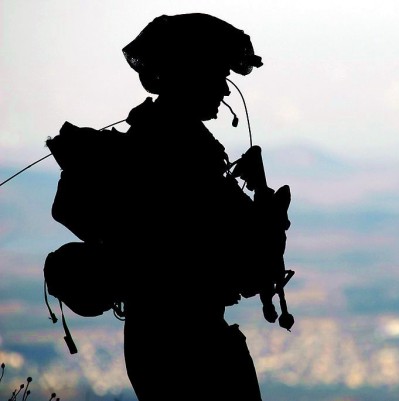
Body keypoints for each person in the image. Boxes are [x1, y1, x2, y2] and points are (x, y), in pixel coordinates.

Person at [45, 12, 293, 401]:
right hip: (194, 345)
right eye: (218, 76)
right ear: (191, 77)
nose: (226, 91)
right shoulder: (187, 153)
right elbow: (251, 267)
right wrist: (265, 199)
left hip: (151, 340)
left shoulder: (147, 142)